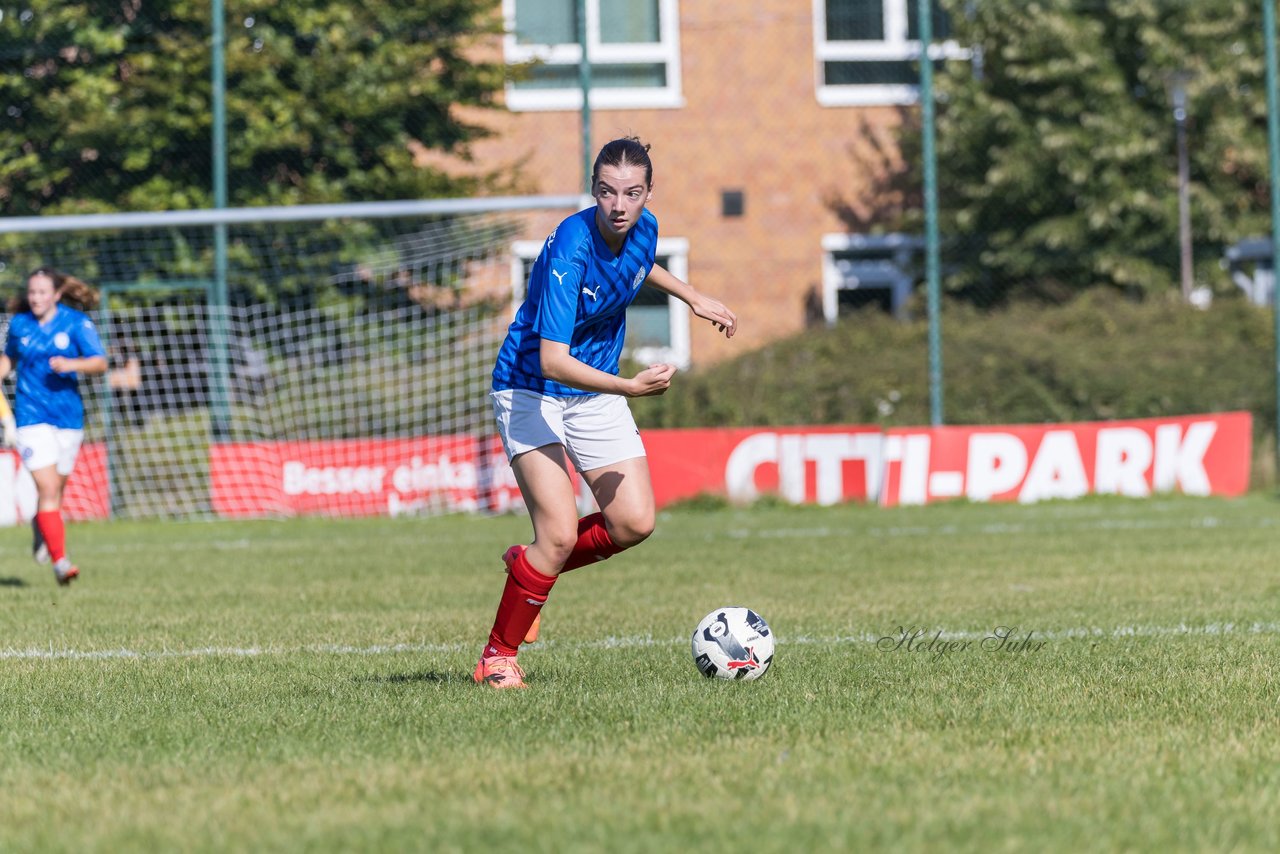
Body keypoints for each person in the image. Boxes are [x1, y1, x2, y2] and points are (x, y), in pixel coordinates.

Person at [475, 137, 738, 688]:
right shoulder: (571, 247)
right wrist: (630, 387)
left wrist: (693, 296)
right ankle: (497, 658)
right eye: (607, 192)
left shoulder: (645, 228)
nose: (619, 205)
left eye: (633, 193)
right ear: (593, 189)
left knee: (634, 522)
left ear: (647, 193)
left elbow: (640, 268)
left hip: (591, 392)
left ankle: (528, 571)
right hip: (531, 387)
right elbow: (551, 360)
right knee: (560, 533)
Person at [0, 267, 108, 585]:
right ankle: (61, 563)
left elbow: (99, 362)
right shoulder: (19, 325)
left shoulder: (76, 323)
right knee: (47, 489)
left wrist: (72, 364)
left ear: (56, 294)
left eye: (42, 292)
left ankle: (40, 527)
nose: (35, 298)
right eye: (32, 292)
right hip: (31, 417)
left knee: (55, 494)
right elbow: (9, 359)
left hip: (68, 419)